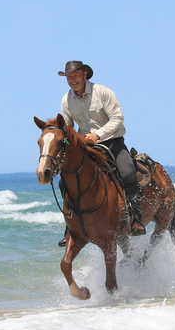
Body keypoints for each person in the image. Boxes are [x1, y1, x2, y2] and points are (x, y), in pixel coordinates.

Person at [56, 60, 145, 246]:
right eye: (68, 77)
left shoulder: (103, 92)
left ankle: (135, 219)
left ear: (84, 75)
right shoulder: (67, 100)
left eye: (75, 76)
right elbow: (68, 128)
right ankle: (70, 227)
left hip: (113, 142)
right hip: (86, 147)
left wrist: (98, 134)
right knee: (64, 181)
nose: (72, 80)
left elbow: (118, 118)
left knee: (128, 172)